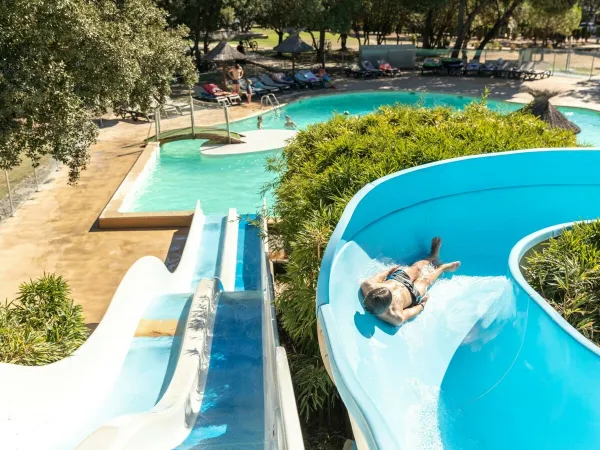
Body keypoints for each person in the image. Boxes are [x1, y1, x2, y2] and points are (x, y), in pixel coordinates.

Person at [361, 237, 460, 326]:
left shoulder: (367, 285)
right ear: (387, 307)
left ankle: (432, 256)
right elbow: (410, 312)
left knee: (416, 268)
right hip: (413, 294)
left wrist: (389, 271)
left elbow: (379, 277)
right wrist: (422, 305)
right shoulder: (395, 316)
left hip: (398, 278)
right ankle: (442, 268)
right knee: (425, 281)